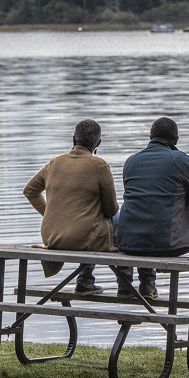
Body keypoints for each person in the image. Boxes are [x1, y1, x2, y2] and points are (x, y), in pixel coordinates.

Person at [114, 116, 189, 306]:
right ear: (176, 140)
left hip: (130, 243)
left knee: (140, 214)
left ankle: (146, 285)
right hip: (169, 244)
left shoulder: (131, 161)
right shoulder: (182, 161)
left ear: (150, 137)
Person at [23, 119, 118, 295]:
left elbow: (30, 191)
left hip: (52, 236)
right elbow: (111, 210)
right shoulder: (99, 166)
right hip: (82, 237)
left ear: (73, 139)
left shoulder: (54, 163)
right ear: (98, 143)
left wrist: (50, 214)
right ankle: (121, 284)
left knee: (91, 220)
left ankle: (86, 280)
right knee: (118, 220)